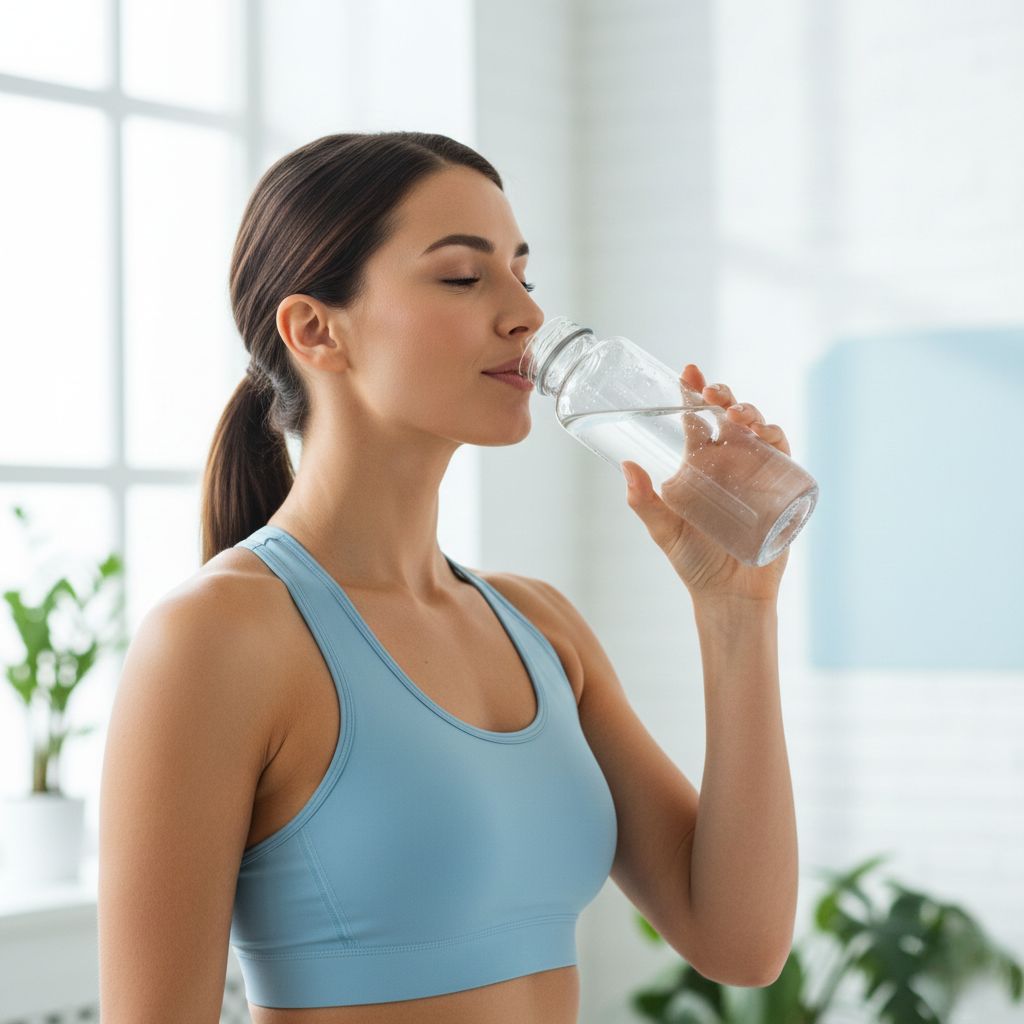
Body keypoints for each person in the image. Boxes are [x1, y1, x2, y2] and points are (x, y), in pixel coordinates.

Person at [98, 131, 798, 1024]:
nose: (527, 317)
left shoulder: (539, 626)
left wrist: (736, 607)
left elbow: (741, 942)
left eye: (523, 275)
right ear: (316, 329)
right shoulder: (218, 638)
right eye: (464, 278)